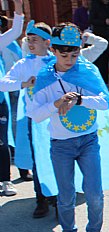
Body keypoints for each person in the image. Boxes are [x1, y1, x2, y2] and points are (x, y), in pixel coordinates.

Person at [27, 23, 109, 232]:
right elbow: (34, 114)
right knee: (66, 196)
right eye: (64, 54)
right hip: (61, 145)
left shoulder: (88, 71)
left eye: (75, 53)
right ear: (53, 50)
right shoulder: (45, 78)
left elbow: (104, 102)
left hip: (88, 141)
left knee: (94, 192)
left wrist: (79, 99)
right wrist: (56, 103)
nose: (70, 59)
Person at [0, 20, 51, 216]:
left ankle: (55, 194)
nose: (30, 43)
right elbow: (3, 83)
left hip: (56, 120)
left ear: (47, 42)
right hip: (35, 121)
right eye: (29, 39)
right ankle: (41, 198)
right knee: (38, 158)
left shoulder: (57, 62)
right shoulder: (24, 64)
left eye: (35, 39)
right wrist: (23, 84)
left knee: (56, 158)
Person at [0, 0, 23, 197]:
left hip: (0, 101)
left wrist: (19, 7)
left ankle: (6, 180)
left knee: (2, 141)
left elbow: (16, 31)